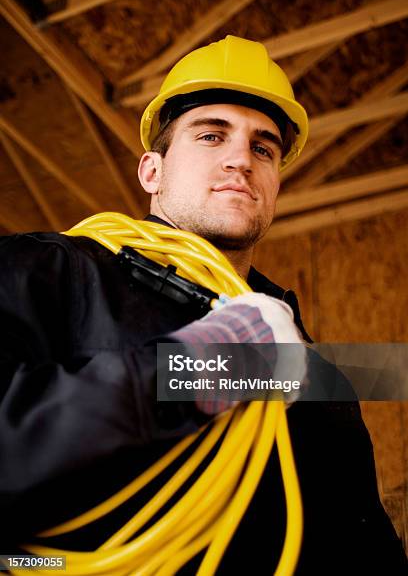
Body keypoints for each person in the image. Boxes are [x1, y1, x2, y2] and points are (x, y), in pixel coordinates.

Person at [0, 35, 406, 574]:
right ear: (152, 172)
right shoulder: (52, 270)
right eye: (212, 136)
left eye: (264, 148)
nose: (241, 159)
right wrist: (200, 369)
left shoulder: (317, 371)